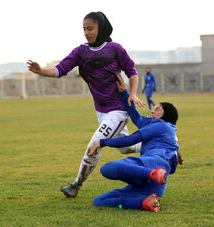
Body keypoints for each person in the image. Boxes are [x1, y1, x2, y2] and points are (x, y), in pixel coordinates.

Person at [27, 11, 144, 198]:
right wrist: (40, 70)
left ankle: (76, 185)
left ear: (101, 28)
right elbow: (60, 69)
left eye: (90, 28)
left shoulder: (115, 48)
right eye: (84, 29)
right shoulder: (81, 51)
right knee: (125, 148)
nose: (86, 33)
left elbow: (132, 71)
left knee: (95, 144)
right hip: (101, 111)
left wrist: (132, 93)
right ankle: (155, 144)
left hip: (119, 109)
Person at [88, 74, 182, 212]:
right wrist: (124, 93)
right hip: (152, 187)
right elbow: (136, 118)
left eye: (157, 109)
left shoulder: (161, 126)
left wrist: (102, 142)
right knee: (99, 201)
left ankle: (152, 174)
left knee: (106, 168)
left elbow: (131, 139)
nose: (152, 110)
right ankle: (144, 203)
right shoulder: (160, 127)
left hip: (153, 164)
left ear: (165, 115)